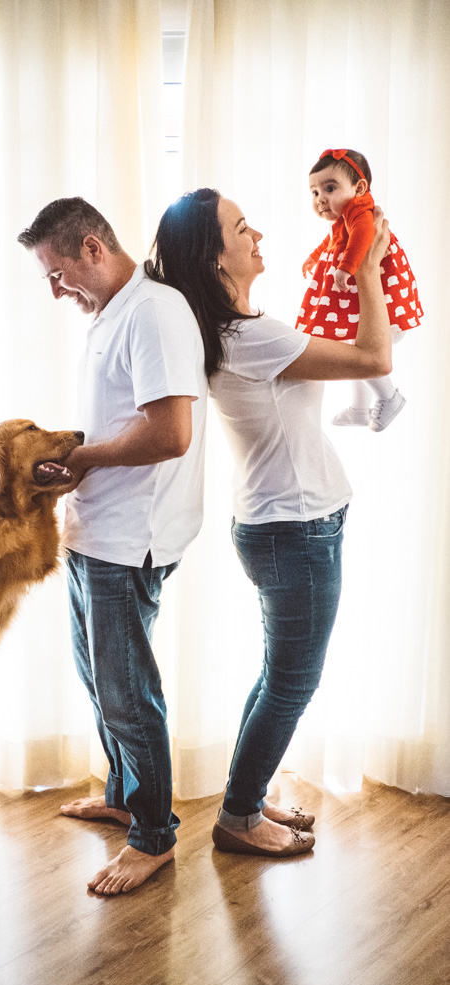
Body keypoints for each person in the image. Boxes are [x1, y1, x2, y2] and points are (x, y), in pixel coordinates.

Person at [146, 188, 391, 857]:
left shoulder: (244, 328)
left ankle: (245, 801)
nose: (258, 236)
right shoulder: (248, 337)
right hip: (294, 532)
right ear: (212, 255)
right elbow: (374, 358)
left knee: (277, 676)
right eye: (241, 227)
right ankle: (238, 817)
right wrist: (367, 270)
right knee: (289, 682)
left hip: (293, 527)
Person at [17, 197, 207, 893]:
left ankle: (153, 837)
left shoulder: (153, 312)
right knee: (101, 685)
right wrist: (71, 461)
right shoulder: (109, 314)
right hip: (95, 533)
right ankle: (125, 797)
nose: (55, 289)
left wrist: (86, 461)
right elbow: (121, 420)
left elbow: (169, 435)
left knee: (128, 697)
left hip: (129, 542)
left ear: (93, 248)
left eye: (57, 273)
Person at [298, 147, 422, 431]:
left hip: (380, 299)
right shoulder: (344, 217)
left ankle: (390, 397)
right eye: (315, 193)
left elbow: (362, 237)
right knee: (354, 346)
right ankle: (359, 407)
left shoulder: (361, 211)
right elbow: (334, 241)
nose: (320, 199)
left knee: (360, 350)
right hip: (359, 299)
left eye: (330, 188)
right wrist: (315, 256)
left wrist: (346, 267)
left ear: (359, 187)